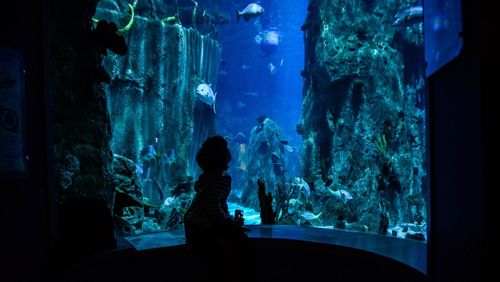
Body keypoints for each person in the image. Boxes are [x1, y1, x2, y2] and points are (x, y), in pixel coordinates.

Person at [184, 135, 255, 282]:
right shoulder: (219, 179)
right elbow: (213, 208)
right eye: (226, 149)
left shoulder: (207, 177)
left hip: (193, 223)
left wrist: (228, 220)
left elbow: (217, 204)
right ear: (221, 156)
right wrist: (229, 223)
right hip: (201, 228)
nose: (229, 151)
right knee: (220, 260)